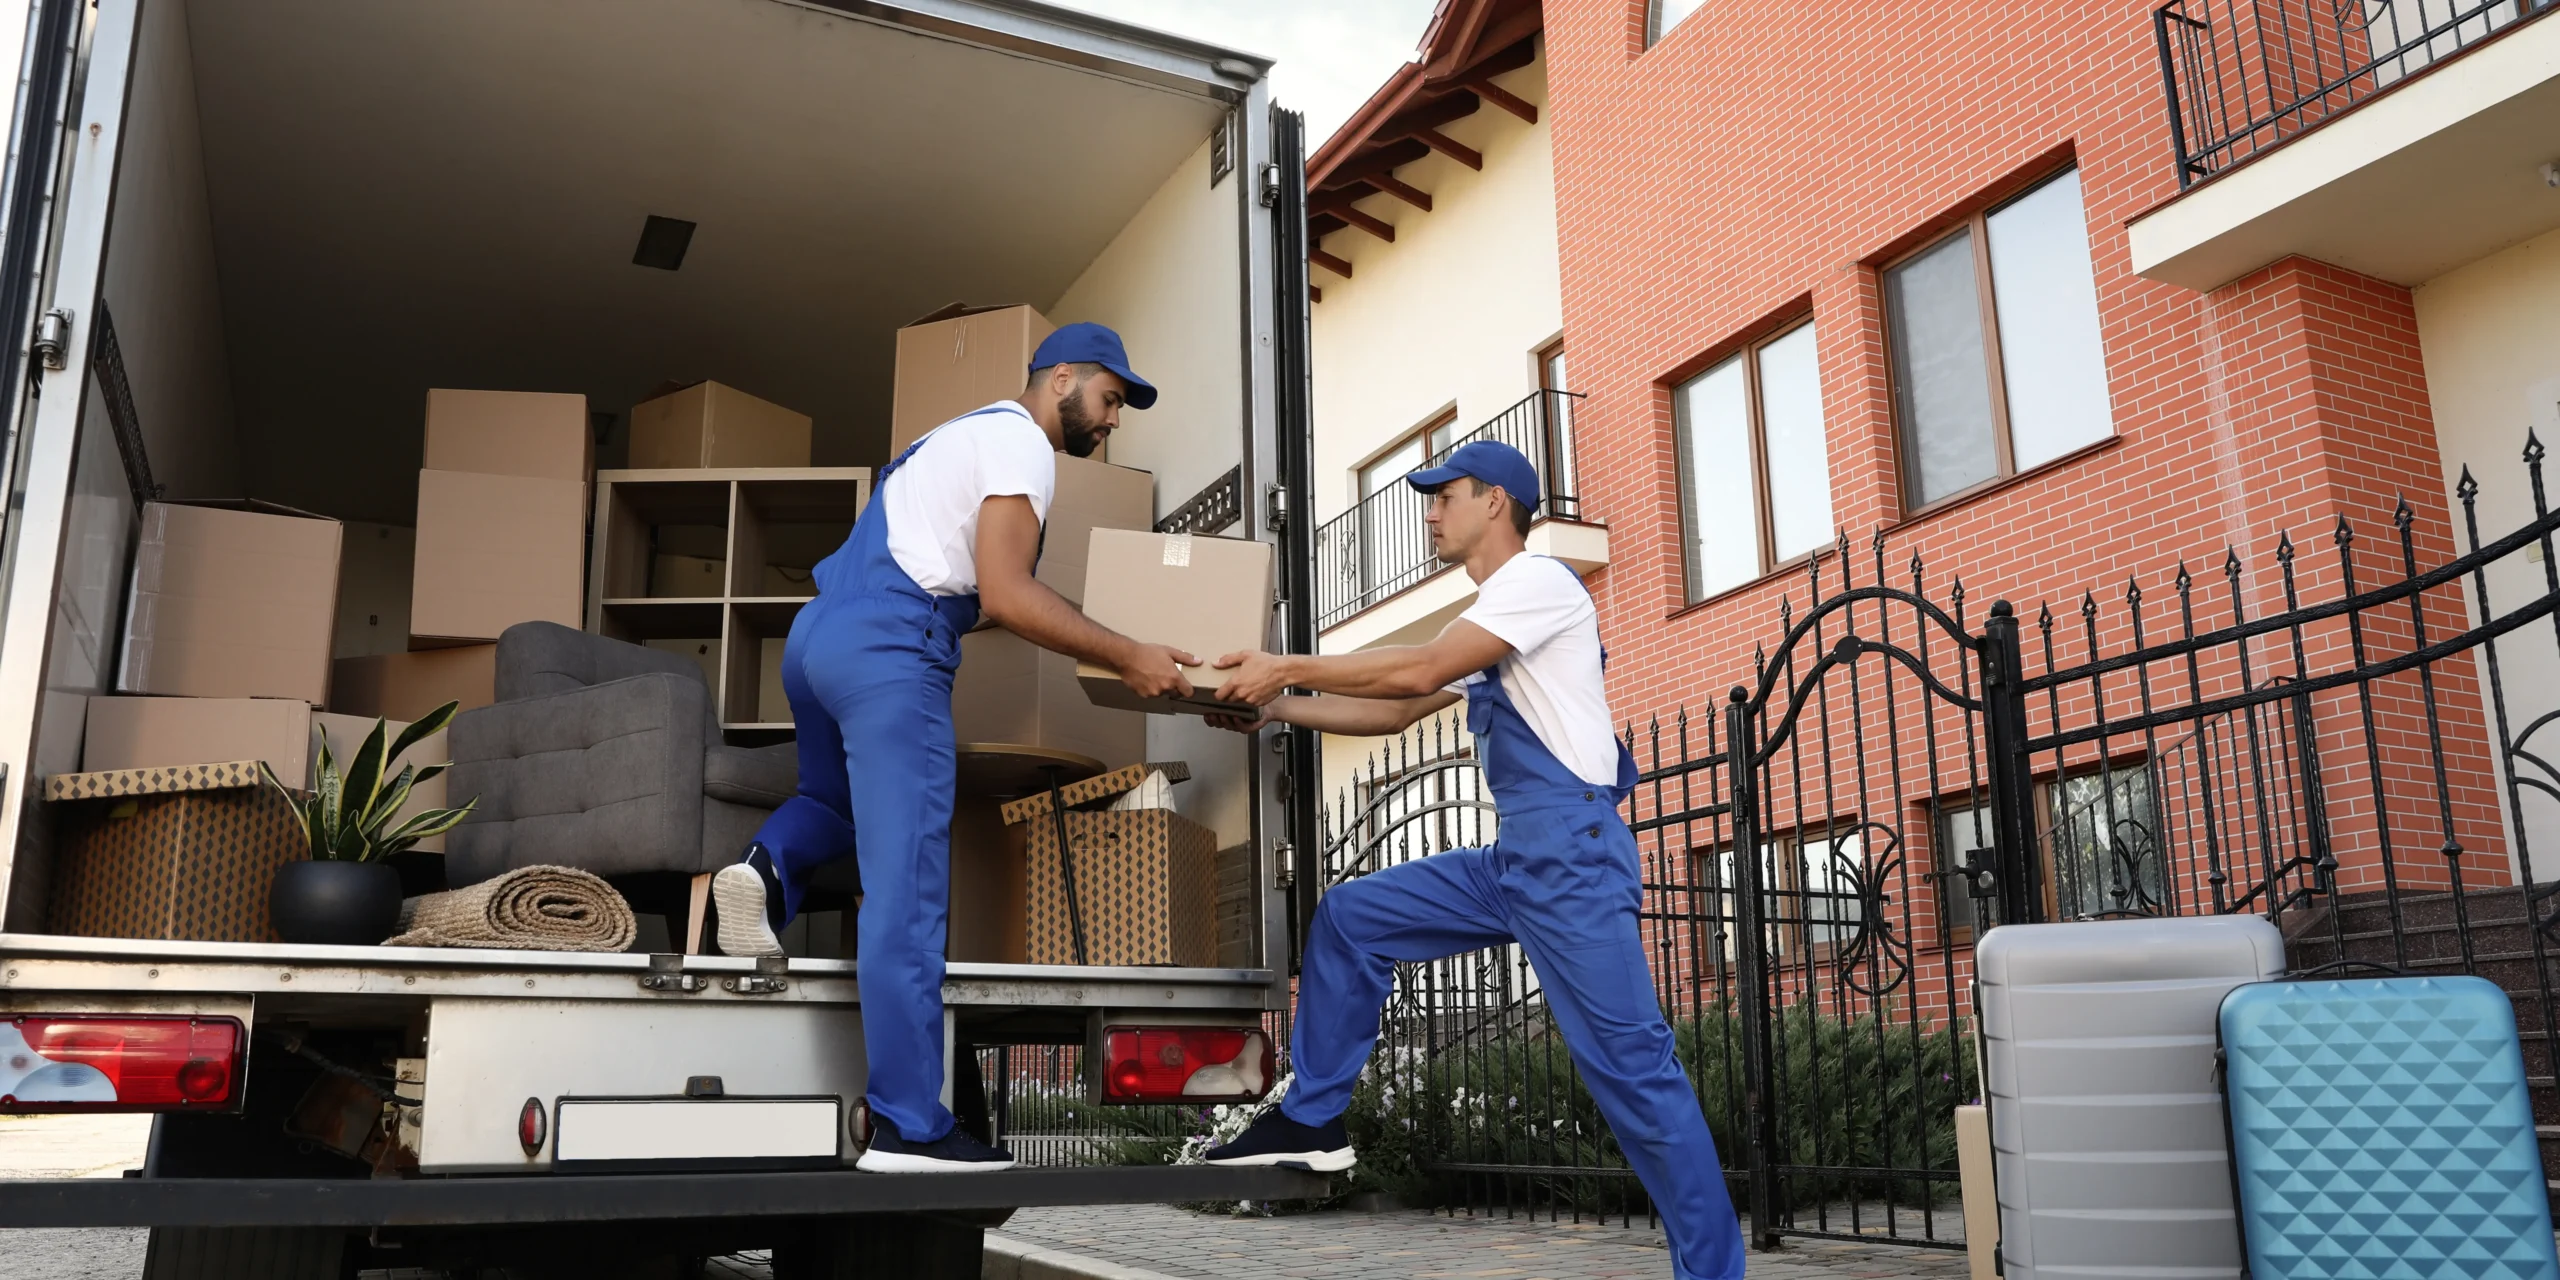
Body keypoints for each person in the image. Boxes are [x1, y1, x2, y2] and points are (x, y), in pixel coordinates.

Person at [1196, 440, 1747, 1280]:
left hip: (1572, 859)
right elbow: (1399, 708)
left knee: (1635, 1077)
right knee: (1352, 918)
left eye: (1441, 495)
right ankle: (1313, 1118)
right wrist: (1276, 710)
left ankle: (1713, 1272)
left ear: (1495, 502)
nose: (1427, 512)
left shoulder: (1537, 583)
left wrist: (1282, 665)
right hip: (1517, 861)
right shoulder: (1495, 615)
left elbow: (1417, 665)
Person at [710, 323, 1197, 1174]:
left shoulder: (949, 436)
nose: (1113, 420)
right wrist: (1129, 653)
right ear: (1062, 382)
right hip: (890, 654)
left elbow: (964, 578)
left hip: (816, 637)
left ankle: (764, 870)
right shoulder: (1022, 444)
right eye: (1111, 399)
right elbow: (1007, 591)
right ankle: (908, 1125)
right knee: (907, 883)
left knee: (833, 805)